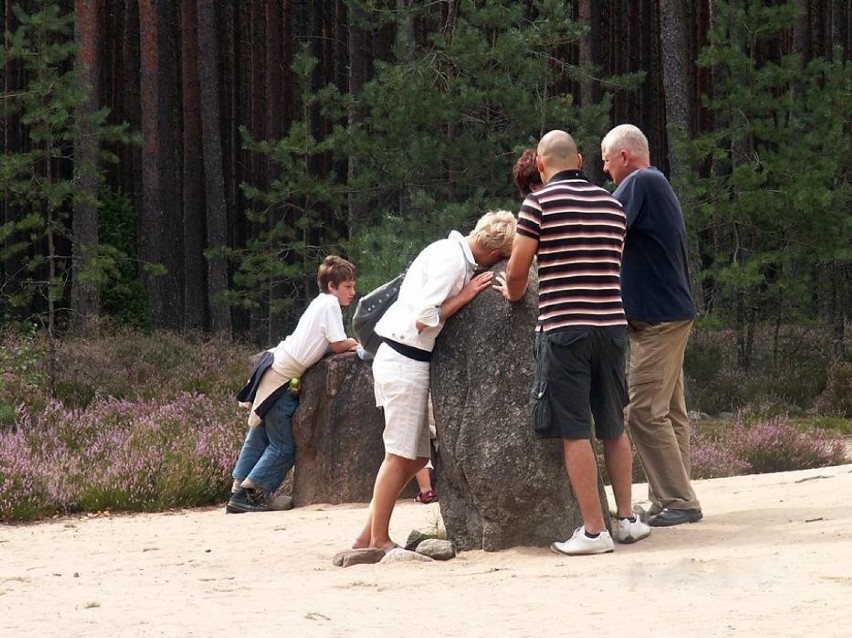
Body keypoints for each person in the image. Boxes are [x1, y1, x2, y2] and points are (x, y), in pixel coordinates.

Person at [495, 131, 650, 555]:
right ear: (580, 159)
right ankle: (627, 519)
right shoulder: (612, 204)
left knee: (574, 430)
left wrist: (511, 295)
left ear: (541, 167)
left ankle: (594, 532)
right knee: (614, 424)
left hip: (564, 328)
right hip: (612, 327)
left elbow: (518, 271)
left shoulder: (537, 204)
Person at [352, 211, 517, 551]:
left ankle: (365, 537)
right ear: (494, 253)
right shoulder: (453, 263)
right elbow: (423, 318)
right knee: (399, 455)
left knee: (412, 458)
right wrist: (465, 296)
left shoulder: (449, 252)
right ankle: (379, 539)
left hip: (404, 359)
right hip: (403, 359)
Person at [600, 123, 702, 527]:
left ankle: (678, 499)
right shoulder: (656, 182)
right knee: (670, 411)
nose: (606, 172)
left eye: (607, 162)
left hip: (659, 321)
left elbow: (603, 226)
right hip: (669, 315)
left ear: (624, 157)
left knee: (643, 411)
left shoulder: (639, 181)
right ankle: (672, 495)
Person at [228, 256, 361, 513]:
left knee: (260, 435)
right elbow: (336, 343)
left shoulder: (320, 303)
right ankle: (249, 494)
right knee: (284, 447)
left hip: (274, 369)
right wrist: (355, 343)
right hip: (281, 377)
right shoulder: (330, 304)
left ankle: (237, 491)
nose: (352, 292)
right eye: (348, 286)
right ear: (332, 286)